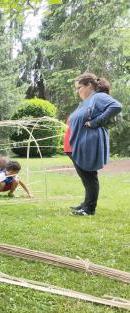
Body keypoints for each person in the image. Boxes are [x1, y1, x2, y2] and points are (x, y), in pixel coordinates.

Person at [68, 73, 122, 216]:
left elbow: (116, 106)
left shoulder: (98, 96)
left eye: (79, 87)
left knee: (89, 176)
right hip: (79, 142)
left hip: (89, 142)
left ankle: (89, 209)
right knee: (86, 177)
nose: (77, 91)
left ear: (89, 85)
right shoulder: (87, 101)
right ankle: (86, 204)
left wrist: (95, 122)